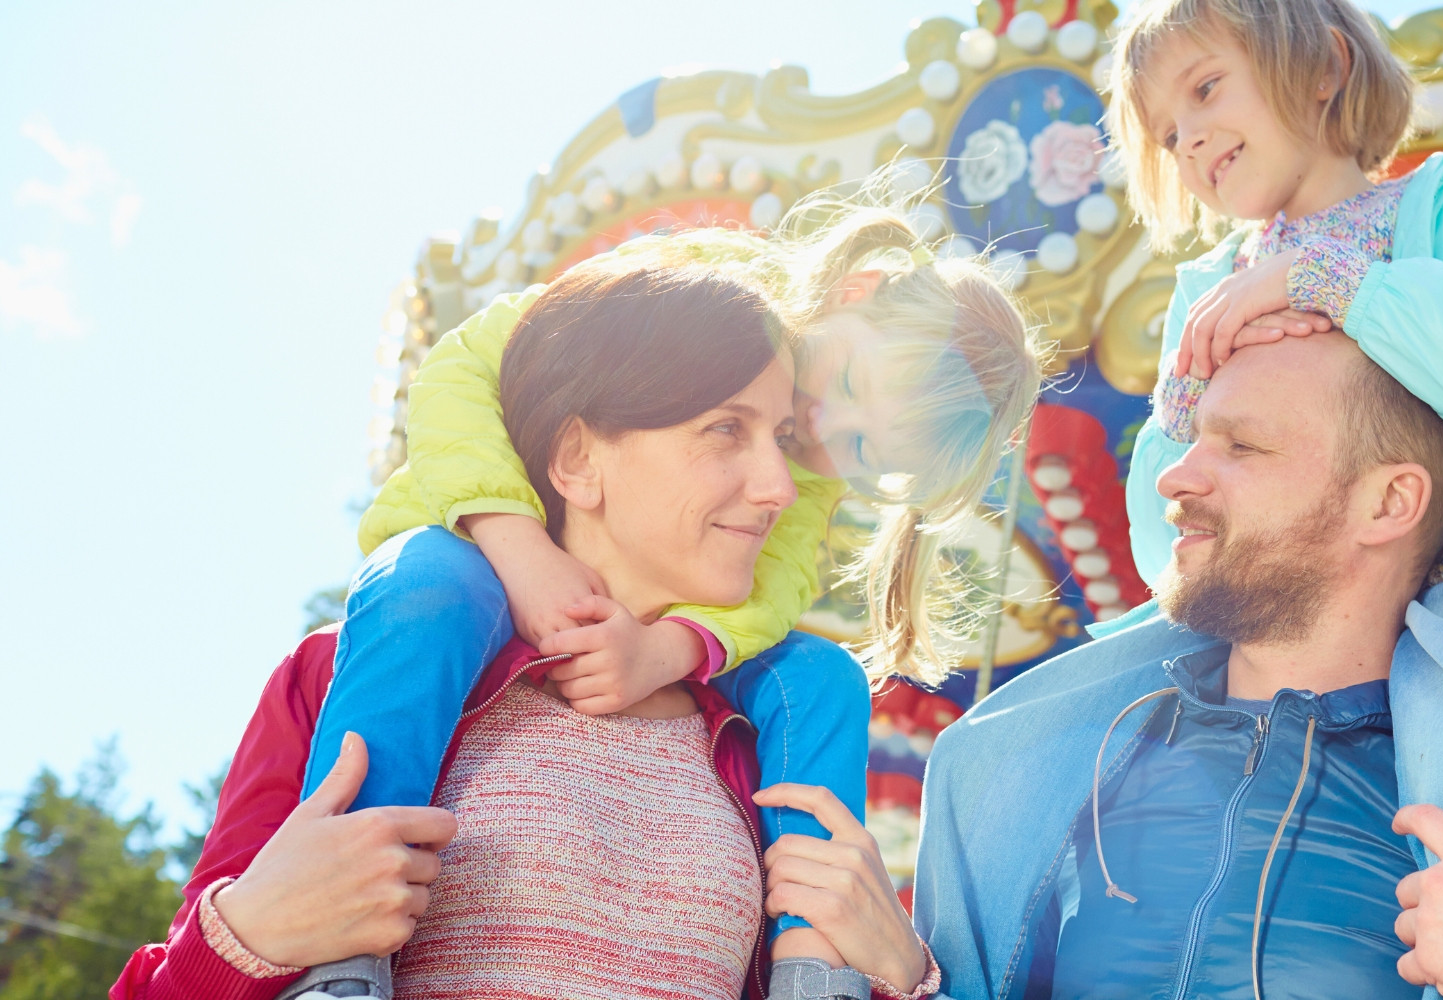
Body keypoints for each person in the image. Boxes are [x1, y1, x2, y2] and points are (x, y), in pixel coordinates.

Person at [752, 335, 1443, 1000]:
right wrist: (912, 976)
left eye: (1243, 446)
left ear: (1389, 501)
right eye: (1195, 439)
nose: (1174, 477)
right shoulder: (1075, 766)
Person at [290, 191, 1046, 993]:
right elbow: (466, 364)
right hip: (477, 539)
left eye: (859, 444)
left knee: (820, 680)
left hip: (649, 623)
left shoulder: (803, 466)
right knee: (426, 580)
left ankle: (813, 963)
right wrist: (516, 545)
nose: (826, 425)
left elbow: (776, 586)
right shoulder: (703, 293)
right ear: (856, 292)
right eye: (852, 378)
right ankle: (340, 950)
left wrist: (668, 646)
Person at [113, 260, 896, 1000]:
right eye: (727, 430)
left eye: (784, 440)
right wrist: (245, 935)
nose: (781, 488)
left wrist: (903, 969)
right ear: (578, 459)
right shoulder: (337, 677)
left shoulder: (772, 742)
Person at [1104, 0, 1443, 920]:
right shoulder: (1206, 285)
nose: (1188, 139)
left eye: (1207, 86)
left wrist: (1334, 285)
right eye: (1166, 131)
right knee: (1022, 742)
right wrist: (1192, 384)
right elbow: (1167, 532)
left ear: (1324, 66)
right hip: (1294, 594)